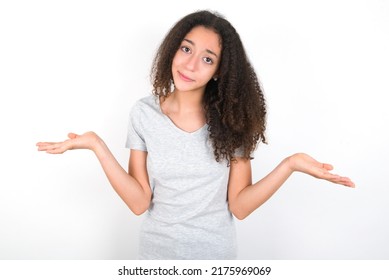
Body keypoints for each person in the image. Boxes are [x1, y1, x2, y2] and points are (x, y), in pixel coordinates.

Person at [36, 10, 354, 260]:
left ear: (219, 71)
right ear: (173, 48)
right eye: (186, 49)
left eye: (207, 58)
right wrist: (96, 145)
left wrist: (290, 164)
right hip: (155, 260)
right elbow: (138, 202)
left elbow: (240, 207)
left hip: (216, 261)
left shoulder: (232, 120)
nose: (190, 64)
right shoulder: (143, 113)